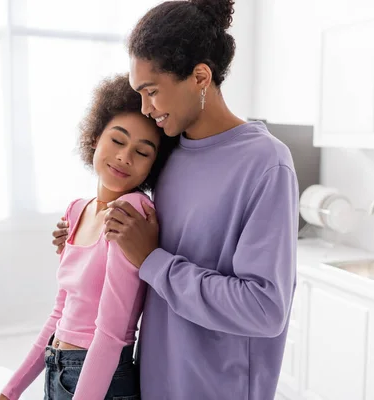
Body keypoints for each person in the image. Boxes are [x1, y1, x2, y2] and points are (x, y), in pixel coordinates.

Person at [52, 0, 299, 399]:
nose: (146, 109)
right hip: (152, 381)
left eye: (152, 92)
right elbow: (133, 238)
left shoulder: (266, 163)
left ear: (200, 76)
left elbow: (265, 308)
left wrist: (154, 261)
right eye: (139, 93)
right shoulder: (169, 153)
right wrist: (85, 235)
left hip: (219, 389)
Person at [0, 73, 176, 400]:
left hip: (101, 380)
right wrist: (10, 392)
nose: (124, 157)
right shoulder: (76, 211)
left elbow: (110, 334)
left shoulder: (131, 212)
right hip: (59, 370)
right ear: (95, 137)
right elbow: (60, 315)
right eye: (118, 140)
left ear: (154, 165)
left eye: (143, 151)